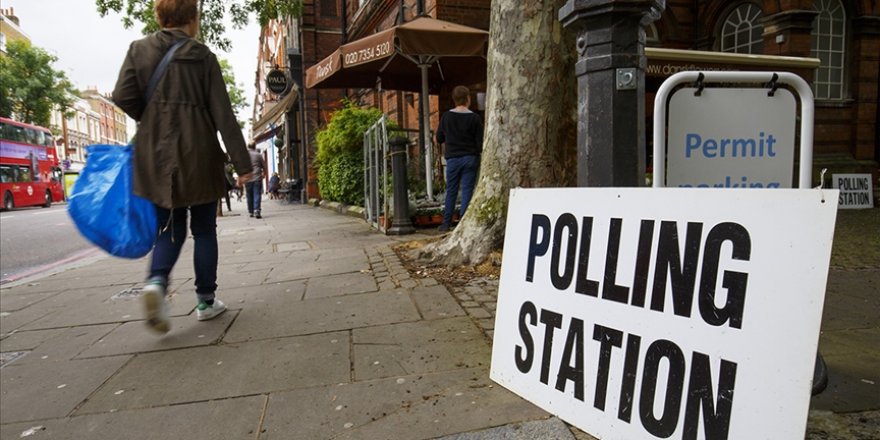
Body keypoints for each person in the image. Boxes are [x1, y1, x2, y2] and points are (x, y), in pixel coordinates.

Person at [112, 0, 253, 334]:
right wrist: (242, 164)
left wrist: (153, 117)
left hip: (156, 154)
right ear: (192, 18)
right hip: (198, 153)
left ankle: (156, 282)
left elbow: (122, 95)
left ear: (160, 17)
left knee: (170, 227)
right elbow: (223, 115)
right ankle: (205, 301)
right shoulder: (203, 56)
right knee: (204, 228)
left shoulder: (138, 50)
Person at [436, 85, 483, 232]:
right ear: (468, 99)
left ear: (454, 100)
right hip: (470, 158)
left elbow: (439, 138)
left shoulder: (446, 117)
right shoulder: (475, 118)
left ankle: (446, 223)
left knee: (452, 190)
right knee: (467, 190)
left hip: (453, 159)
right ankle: (463, 221)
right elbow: (479, 141)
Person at [245, 142, 265, 218]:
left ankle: (250, 211)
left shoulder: (245, 156)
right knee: (257, 194)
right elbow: (264, 166)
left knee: (249, 195)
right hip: (257, 178)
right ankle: (257, 210)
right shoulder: (258, 155)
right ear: (254, 146)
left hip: (247, 179)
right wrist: (264, 173)